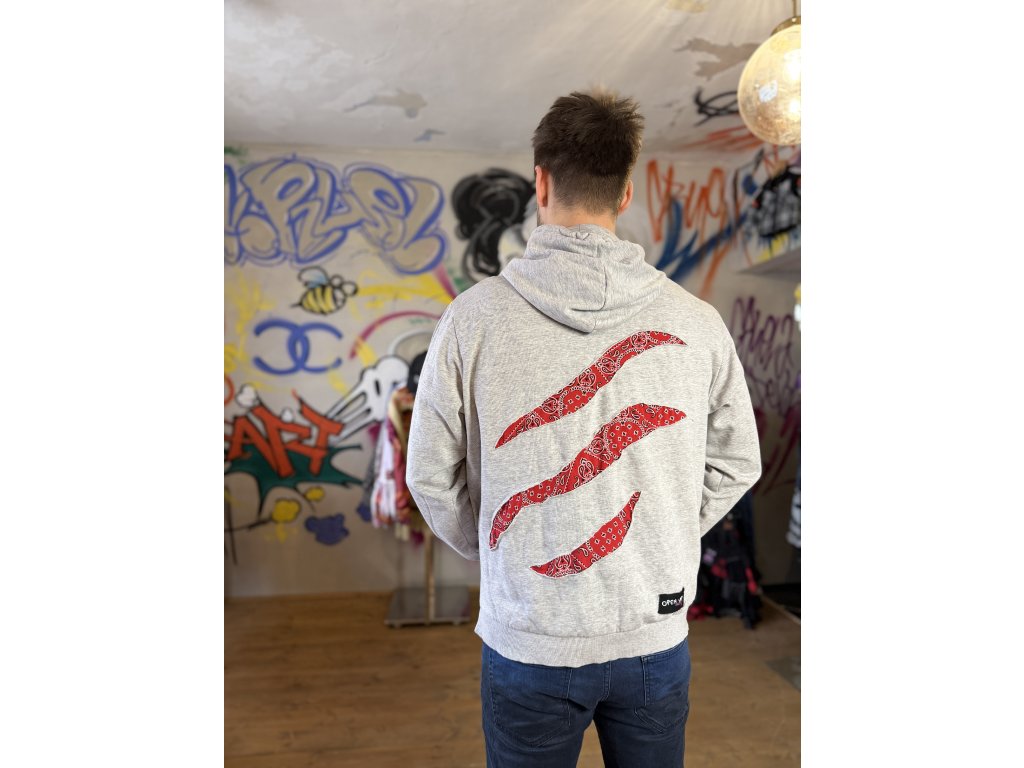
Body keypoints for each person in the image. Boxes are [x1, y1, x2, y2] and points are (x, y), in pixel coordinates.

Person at [406, 91, 761, 768]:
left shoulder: (471, 320)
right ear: (625, 192)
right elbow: (738, 460)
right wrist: (667, 531)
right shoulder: (698, 322)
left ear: (540, 183)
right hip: (654, 632)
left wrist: (499, 550)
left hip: (529, 637)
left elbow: (428, 474)